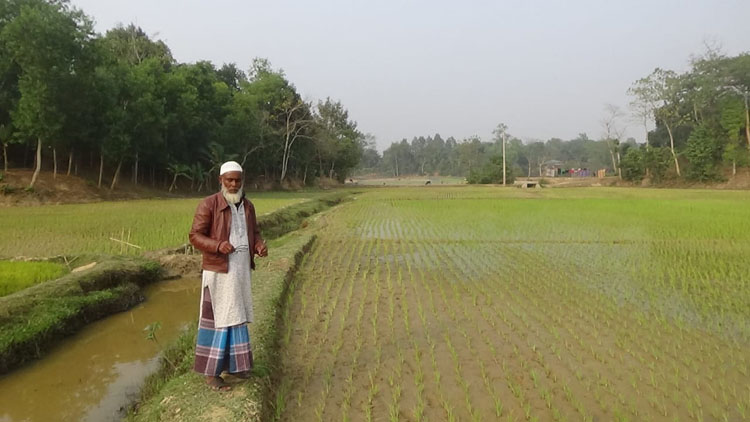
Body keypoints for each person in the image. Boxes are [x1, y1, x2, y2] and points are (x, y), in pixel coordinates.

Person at [189, 160, 268, 391]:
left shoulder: (248, 206)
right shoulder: (209, 204)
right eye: (229, 180)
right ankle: (212, 374)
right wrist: (217, 245)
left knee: (237, 314)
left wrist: (259, 246)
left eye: (237, 180)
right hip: (219, 272)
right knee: (220, 318)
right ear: (220, 180)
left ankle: (237, 365)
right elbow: (194, 235)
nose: (234, 184)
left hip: (241, 270)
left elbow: (254, 232)